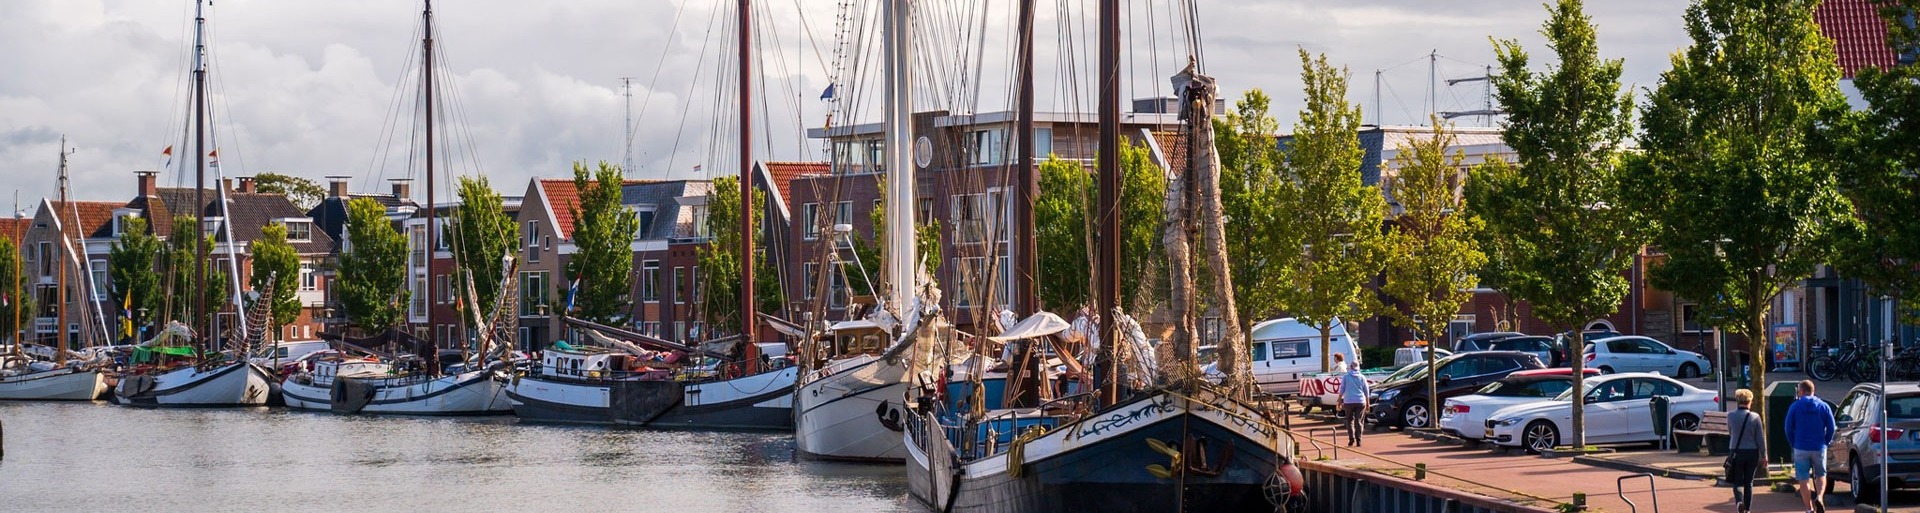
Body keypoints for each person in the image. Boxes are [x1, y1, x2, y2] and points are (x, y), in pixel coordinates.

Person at [1784, 379, 1836, 513]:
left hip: (1800, 446)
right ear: (1813, 391)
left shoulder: (1795, 407)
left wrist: (1793, 442)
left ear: (1801, 391)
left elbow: (1788, 428)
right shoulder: (1824, 406)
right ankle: (1819, 497)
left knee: (1803, 479)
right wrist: (1826, 441)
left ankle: (1809, 509)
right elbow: (1831, 427)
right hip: (1819, 446)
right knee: (1820, 475)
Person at [1727, 389, 1764, 513]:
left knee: (1737, 481)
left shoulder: (1731, 416)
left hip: (1736, 451)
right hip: (1752, 452)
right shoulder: (1755, 417)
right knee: (1749, 482)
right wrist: (1764, 455)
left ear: (1737, 401)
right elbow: (1760, 438)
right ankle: (1747, 509)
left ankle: (1739, 503)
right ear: (1750, 401)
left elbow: (1731, 432)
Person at [1338, 365, 1369, 447]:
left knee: (1349, 420)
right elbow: (1366, 391)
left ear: (1350, 368)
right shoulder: (1362, 377)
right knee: (1359, 421)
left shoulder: (1346, 377)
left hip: (1348, 401)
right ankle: (1359, 440)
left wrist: (1339, 400)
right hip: (1360, 401)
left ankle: (1351, 439)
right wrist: (1368, 403)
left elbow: (1342, 389)